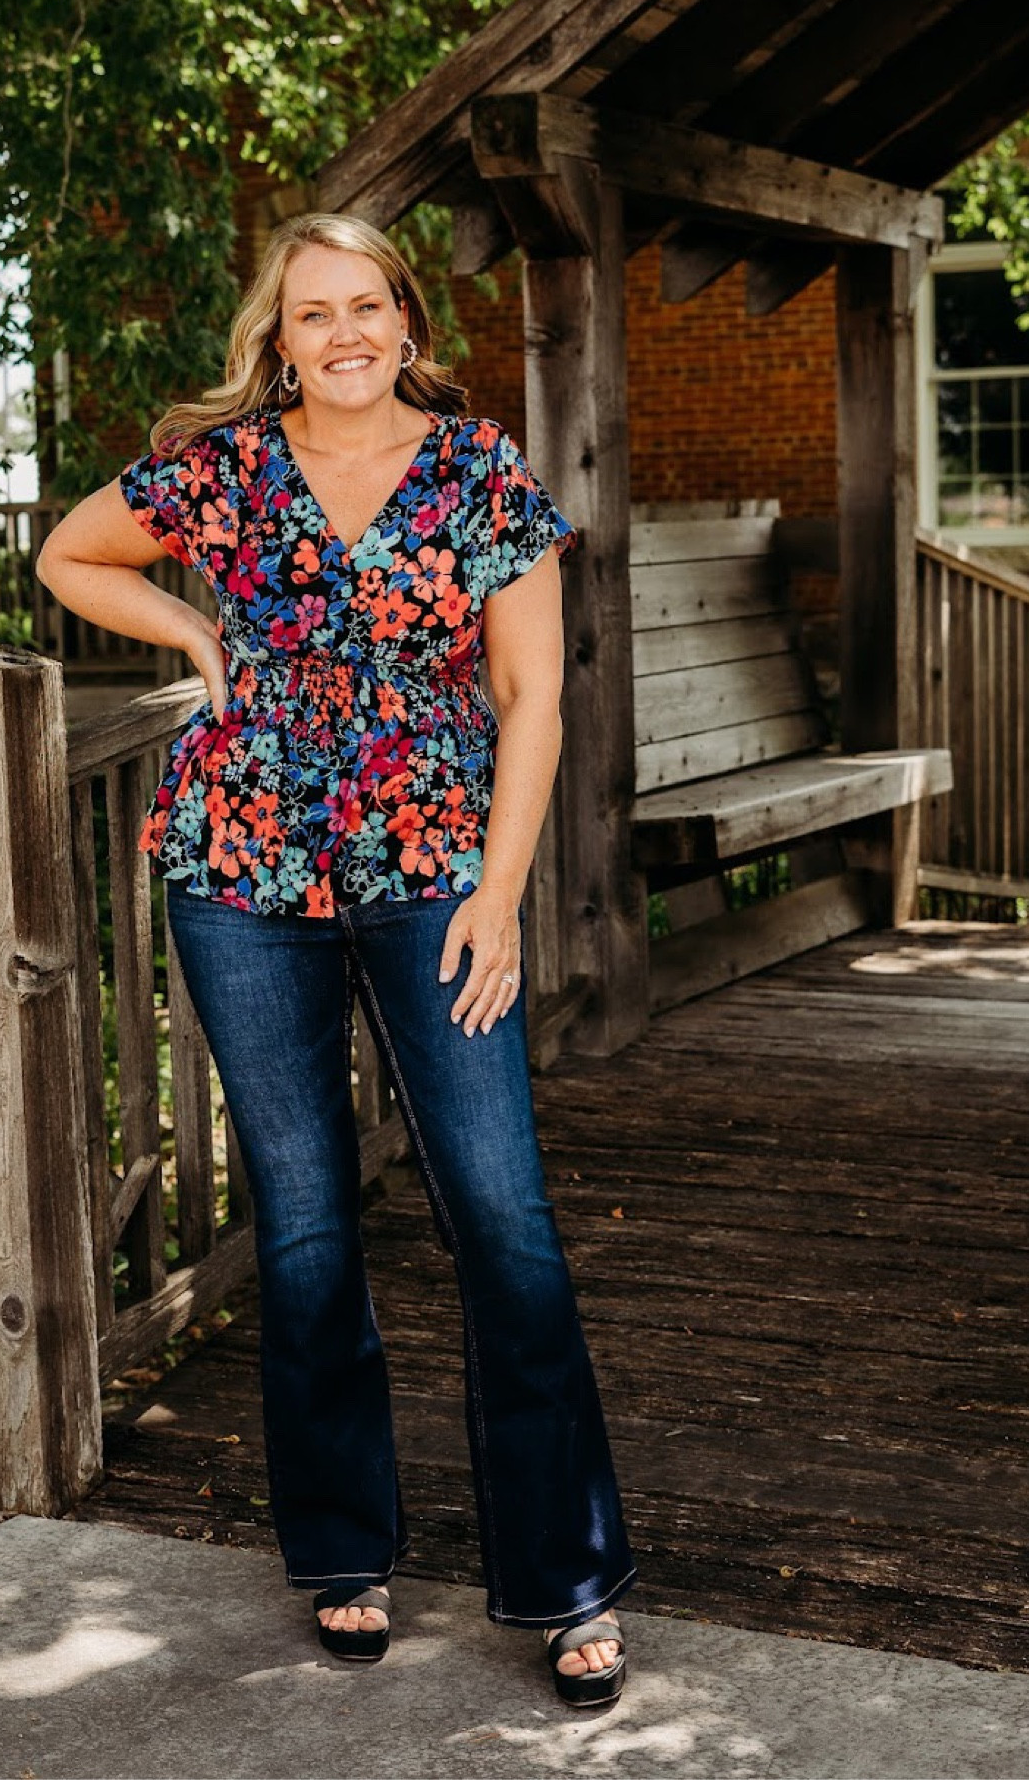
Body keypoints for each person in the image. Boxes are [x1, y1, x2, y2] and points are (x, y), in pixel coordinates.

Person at [35, 211, 635, 1708]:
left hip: (435, 875)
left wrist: (501, 895)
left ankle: (566, 1576)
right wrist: (193, 639)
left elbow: (533, 695)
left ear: (406, 323)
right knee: (303, 1224)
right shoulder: (226, 470)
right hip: (238, 869)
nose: (344, 334)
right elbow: (69, 553)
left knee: (501, 1215)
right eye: (313, 313)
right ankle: (340, 1549)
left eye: (365, 306)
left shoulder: (480, 471)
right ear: (280, 338)